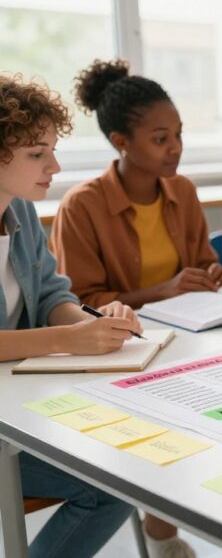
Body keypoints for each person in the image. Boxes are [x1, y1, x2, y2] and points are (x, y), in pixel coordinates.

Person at [0, 73, 140, 558]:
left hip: (16, 405)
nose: (54, 166)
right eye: (37, 154)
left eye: (52, 150)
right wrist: (66, 340)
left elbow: (51, 298)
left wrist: (93, 321)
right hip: (7, 422)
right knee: (113, 483)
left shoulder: (21, 216)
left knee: (131, 456)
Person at [50, 59, 222, 309]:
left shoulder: (183, 190)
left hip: (189, 325)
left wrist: (212, 274)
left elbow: (201, 264)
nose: (176, 147)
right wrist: (163, 291)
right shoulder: (81, 206)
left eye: (178, 134)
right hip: (121, 338)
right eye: (160, 139)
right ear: (121, 142)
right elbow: (81, 303)